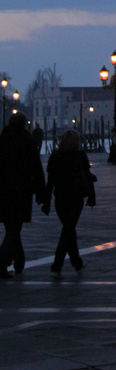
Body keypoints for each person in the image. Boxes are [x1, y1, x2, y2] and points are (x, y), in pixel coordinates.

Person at [42, 129, 96, 277]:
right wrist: (92, 196)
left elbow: (51, 181)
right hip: (75, 196)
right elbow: (87, 177)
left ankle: (77, 264)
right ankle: (57, 265)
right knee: (68, 230)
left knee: (69, 229)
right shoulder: (80, 156)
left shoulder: (55, 156)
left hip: (60, 197)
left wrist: (46, 201)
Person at [0, 112, 46, 277]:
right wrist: (42, 190)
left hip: (3, 190)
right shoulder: (28, 141)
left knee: (11, 227)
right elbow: (36, 168)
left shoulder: (2, 139)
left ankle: (19, 261)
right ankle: (2, 262)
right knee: (14, 228)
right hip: (20, 190)